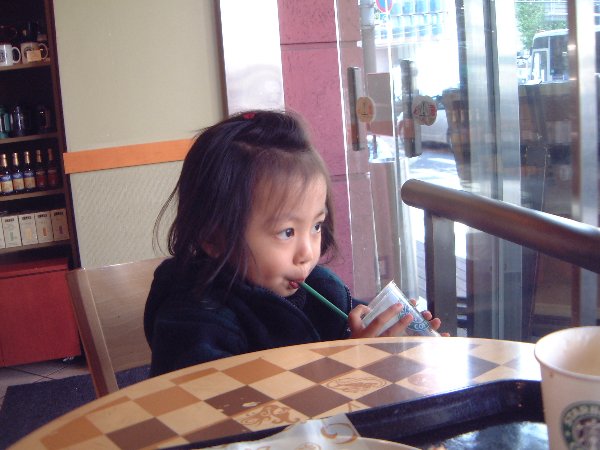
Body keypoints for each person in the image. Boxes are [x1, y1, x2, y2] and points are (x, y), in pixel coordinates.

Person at [144, 109, 444, 377]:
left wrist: (391, 333)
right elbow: (220, 410)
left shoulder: (321, 289)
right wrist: (350, 365)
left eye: (316, 226)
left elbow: (354, 331)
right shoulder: (195, 320)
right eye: (287, 232)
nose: (307, 253)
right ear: (214, 238)